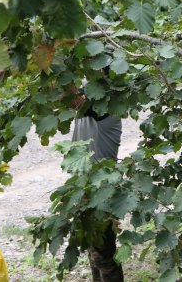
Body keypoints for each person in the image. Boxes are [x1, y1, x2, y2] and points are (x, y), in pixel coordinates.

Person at [69, 78, 124, 282]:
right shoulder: (91, 103)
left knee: (104, 257)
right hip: (84, 188)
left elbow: (75, 101)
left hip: (101, 191)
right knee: (94, 252)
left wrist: (52, 63)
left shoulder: (106, 109)